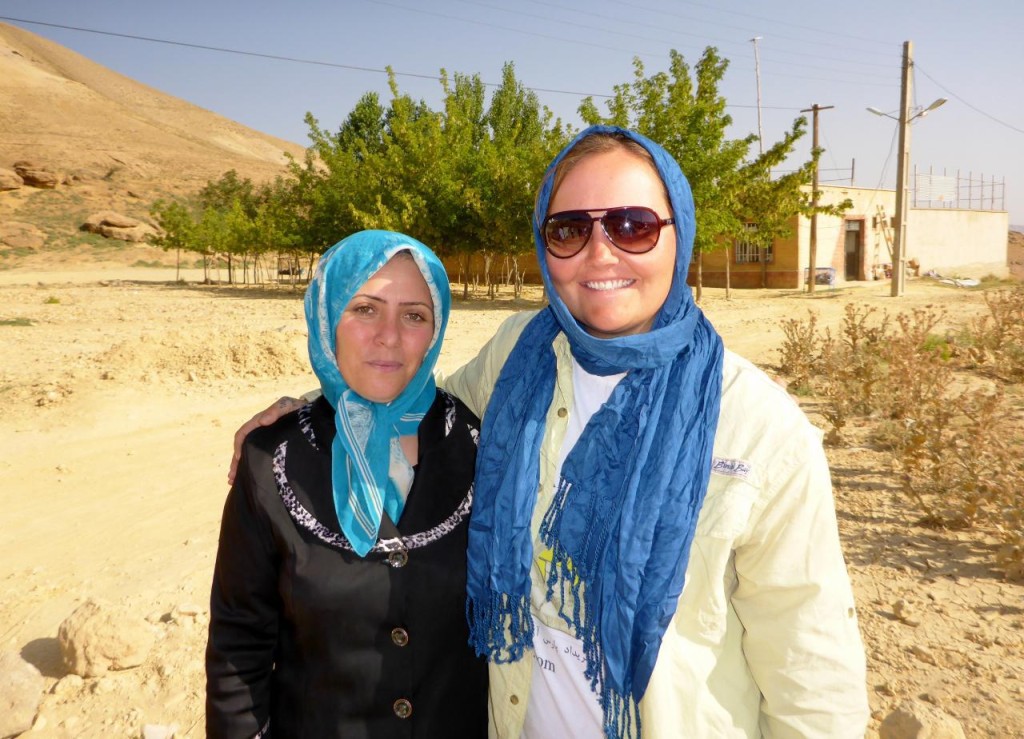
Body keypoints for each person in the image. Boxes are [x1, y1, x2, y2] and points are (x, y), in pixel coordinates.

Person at [230, 127, 870, 738]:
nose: (600, 252)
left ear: (680, 235)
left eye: (632, 225)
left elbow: (811, 675)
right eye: (570, 229)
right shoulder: (521, 357)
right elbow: (418, 396)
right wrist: (315, 401)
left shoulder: (759, 429)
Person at [207, 230, 488, 738]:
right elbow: (238, 647)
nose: (389, 335)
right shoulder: (271, 460)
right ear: (326, 316)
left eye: (414, 315)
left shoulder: (483, 448)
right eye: (364, 308)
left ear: (436, 329)